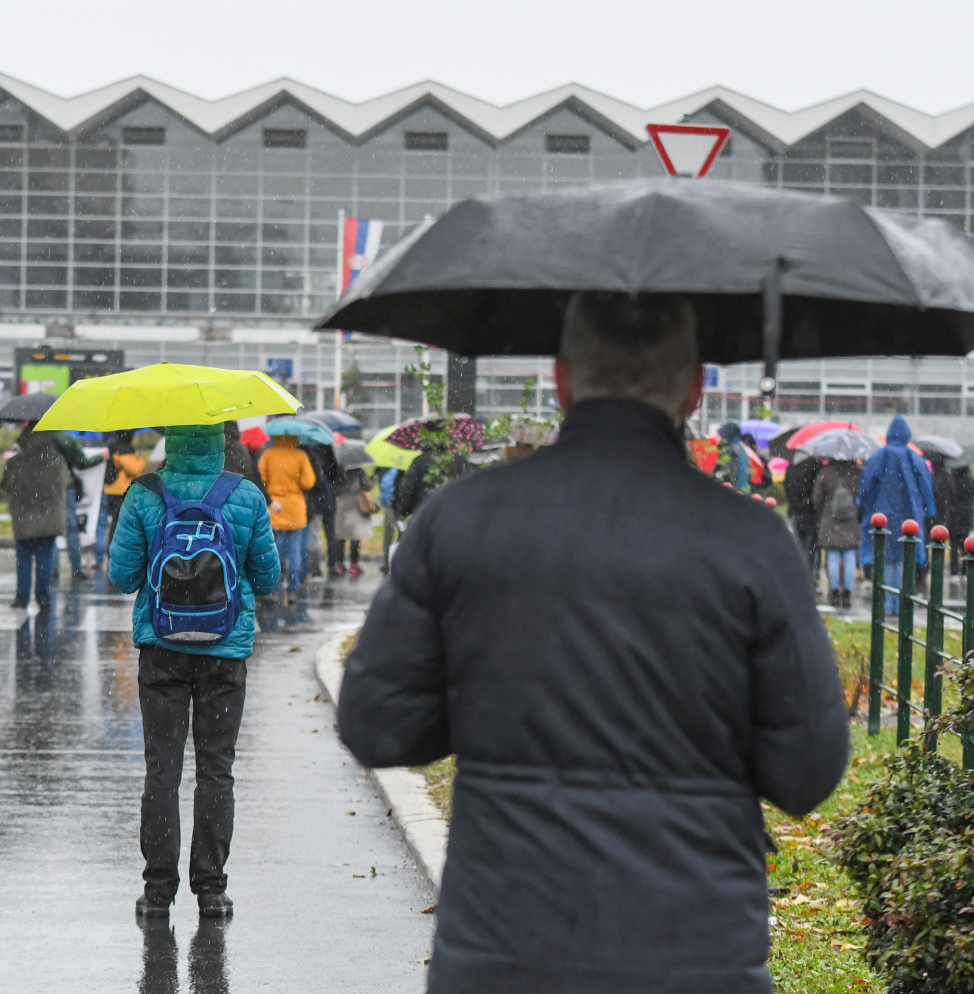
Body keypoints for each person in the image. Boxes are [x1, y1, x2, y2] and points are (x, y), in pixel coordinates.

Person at [338, 291, 849, 994]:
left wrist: (495, 704)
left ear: (562, 376)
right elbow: (809, 767)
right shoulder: (751, 540)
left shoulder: (462, 521)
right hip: (696, 953)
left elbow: (376, 721)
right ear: (696, 386)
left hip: (505, 949)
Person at [106, 424, 280, 920]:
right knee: (216, 770)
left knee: (162, 770)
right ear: (219, 439)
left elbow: (122, 577)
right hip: (225, 651)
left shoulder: (144, 493)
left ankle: (157, 891)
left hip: (161, 648)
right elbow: (267, 577)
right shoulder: (243, 494)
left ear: (172, 437)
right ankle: (211, 890)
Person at [859, 415, 936, 614]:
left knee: (884, 559)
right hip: (908, 517)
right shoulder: (915, 458)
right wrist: (929, 513)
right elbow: (926, 489)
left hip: (882, 516)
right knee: (904, 558)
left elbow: (866, 486)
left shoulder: (878, 456)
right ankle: (901, 603)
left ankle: (887, 603)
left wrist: (864, 506)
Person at [0, 424, 71, 609]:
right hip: (50, 518)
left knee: (23, 558)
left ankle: (21, 598)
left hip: (24, 517)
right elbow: (66, 482)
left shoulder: (15, 463)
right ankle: (44, 598)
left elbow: (5, 485)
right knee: (45, 558)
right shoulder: (56, 460)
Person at [256, 433, 315, 603]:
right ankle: (293, 589)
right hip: (295, 507)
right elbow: (308, 482)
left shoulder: (268, 454)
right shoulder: (300, 455)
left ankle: (274, 588)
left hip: (275, 507)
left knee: (276, 550)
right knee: (295, 551)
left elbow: (262, 479)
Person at [47, 428, 104, 581]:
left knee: (50, 531)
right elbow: (82, 462)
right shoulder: (64, 439)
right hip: (65, 486)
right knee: (71, 528)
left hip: (42, 486)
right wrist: (101, 457)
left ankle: (51, 570)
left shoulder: (33, 438)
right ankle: (76, 569)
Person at [812, 459, 862, 609]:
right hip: (850, 519)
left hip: (830, 518)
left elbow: (817, 498)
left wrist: (824, 511)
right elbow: (863, 495)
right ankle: (846, 594)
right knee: (850, 556)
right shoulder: (856, 473)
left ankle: (834, 593)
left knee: (832, 554)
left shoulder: (826, 472)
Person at [102, 429, 145, 550]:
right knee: (121, 524)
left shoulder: (112, 445)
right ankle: (116, 550)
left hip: (111, 490)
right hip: (121, 492)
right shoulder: (123, 448)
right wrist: (141, 459)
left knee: (116, 523)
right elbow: (134, 469)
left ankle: (112, 549)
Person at [302, 441, 340, 579]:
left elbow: (315, 480)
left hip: (316, 499)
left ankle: (315, 567)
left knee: (314, 534)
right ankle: (332, 564)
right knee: (330, 533)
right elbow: (336, 472)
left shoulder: (307, 451)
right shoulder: (328, 447)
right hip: (329, 495)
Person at [784, 452, 825, 576]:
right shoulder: (816, 465)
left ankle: (800, 573)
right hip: (811, 512)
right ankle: (809, 575)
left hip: (795, 512)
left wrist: (794, 504)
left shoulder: (791, 467)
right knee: (811, 547)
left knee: (800, 545)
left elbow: (787, 488)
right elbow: (820, 490)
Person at [332, 464, 376, 578]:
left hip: (341, 504)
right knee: (355, 537)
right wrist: (375, 477)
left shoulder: (337, 470)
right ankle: (354, 565)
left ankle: (340, 564)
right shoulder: (358, 471)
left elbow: (334, 486)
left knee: (340, 537)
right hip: (355, 505)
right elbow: (368, 486)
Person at [714, 421, 752, 493]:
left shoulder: (729, 449)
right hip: (742, 489)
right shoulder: (741, 449)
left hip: (731, 489)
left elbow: (724, 472)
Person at [222, 420, 261, 489]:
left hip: (219, 488)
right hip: (239, 486)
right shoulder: (240, 447)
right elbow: (247, 470)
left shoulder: (215, 446)